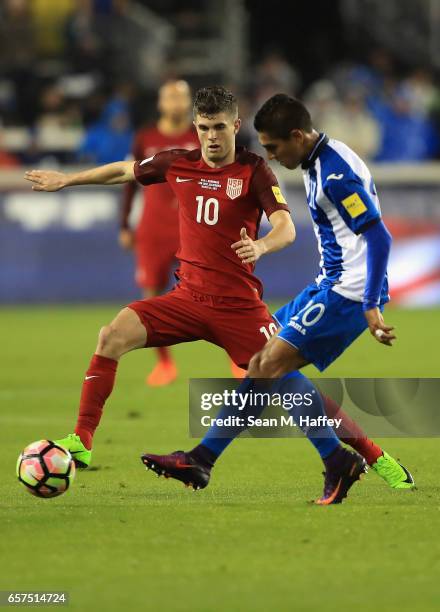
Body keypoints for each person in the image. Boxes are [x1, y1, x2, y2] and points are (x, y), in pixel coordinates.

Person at [141, 93, 415, 504]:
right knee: (264, 367)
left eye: (272, 148)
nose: (269, 156)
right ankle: (204, 459)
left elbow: (379, 235)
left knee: (269, 365)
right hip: (329, 283)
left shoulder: (333, 176)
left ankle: (213, 459)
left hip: (348, 292)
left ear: (297, 135)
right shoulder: (320, 157)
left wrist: (372, 302)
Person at [120, 80, 197, 385]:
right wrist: (125, 224)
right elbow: (128, 181)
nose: (177, 103)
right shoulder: (145, 137)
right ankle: (165, 364)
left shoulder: (200, 135)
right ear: (160, 103)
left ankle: (237, 361)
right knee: (151, 295)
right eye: (171, 97)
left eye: (182, 98)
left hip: (193, 227)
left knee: (216, 292)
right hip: (152, 227)